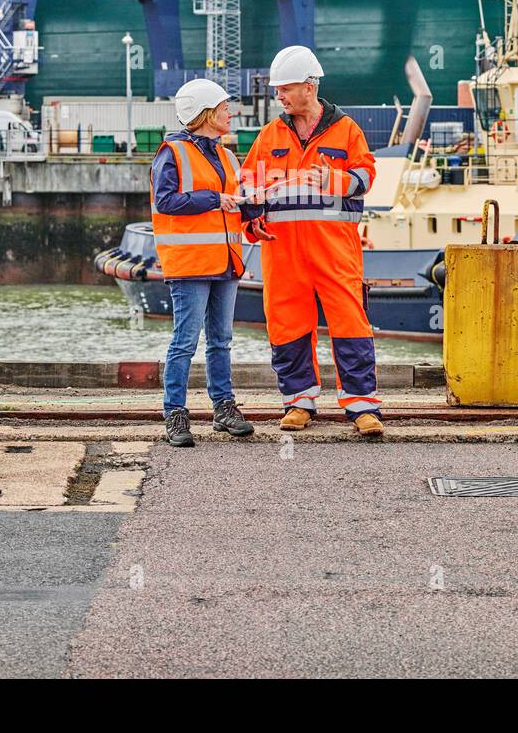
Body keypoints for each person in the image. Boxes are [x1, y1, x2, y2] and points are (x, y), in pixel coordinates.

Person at [239, 45, 383, 437]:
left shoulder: (346, 130)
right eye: (278, 91)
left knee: (350, 323)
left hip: (334, 251)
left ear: (308, 86)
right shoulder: (270, 135)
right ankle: (298, 402)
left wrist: (332, 181)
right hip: (282, 251)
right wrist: (252, 222)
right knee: (286, 324)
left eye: (284, 89)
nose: (279, 97)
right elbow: (248, 184)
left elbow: (366, 176)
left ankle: (362, 407)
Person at [151, 79, 256, 447]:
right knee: (185, 341)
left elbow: (234, 202)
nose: (231, 112)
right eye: (225, 107)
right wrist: (214, 199)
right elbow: (166, 202)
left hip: (225, 262)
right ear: (207, 114)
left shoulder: (228, 156)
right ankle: (175, 414)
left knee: (221, 340)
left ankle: (224, 408)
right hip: (191, 264)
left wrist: (253, 215)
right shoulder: (171, 153)